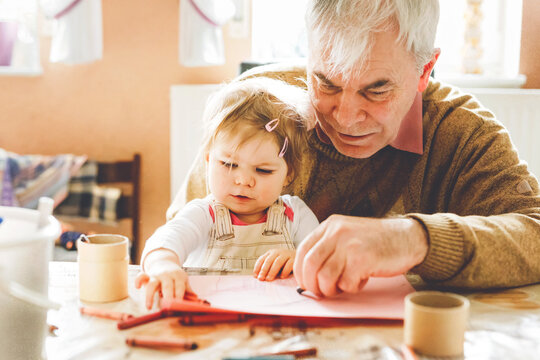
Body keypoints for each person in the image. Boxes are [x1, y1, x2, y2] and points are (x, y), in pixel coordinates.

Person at [169, 0, 540, 297]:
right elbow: (181, 231)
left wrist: (415, 240)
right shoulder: (257, 105)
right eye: (325, 82)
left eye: (376, 90)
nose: (345, 118)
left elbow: (534, 233)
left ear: (425, 69)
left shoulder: (463, 133)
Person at [136, 77, 319, 309]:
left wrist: (300, 259)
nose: (243, 180)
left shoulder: (296, 215)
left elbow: (323, 260)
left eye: (263, 170)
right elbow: (164, 241)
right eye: (228, 165)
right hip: (210, 318)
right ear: (208, 160)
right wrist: (164, 266)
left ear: (289, 174)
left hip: (275, 322)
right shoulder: (204, 214)